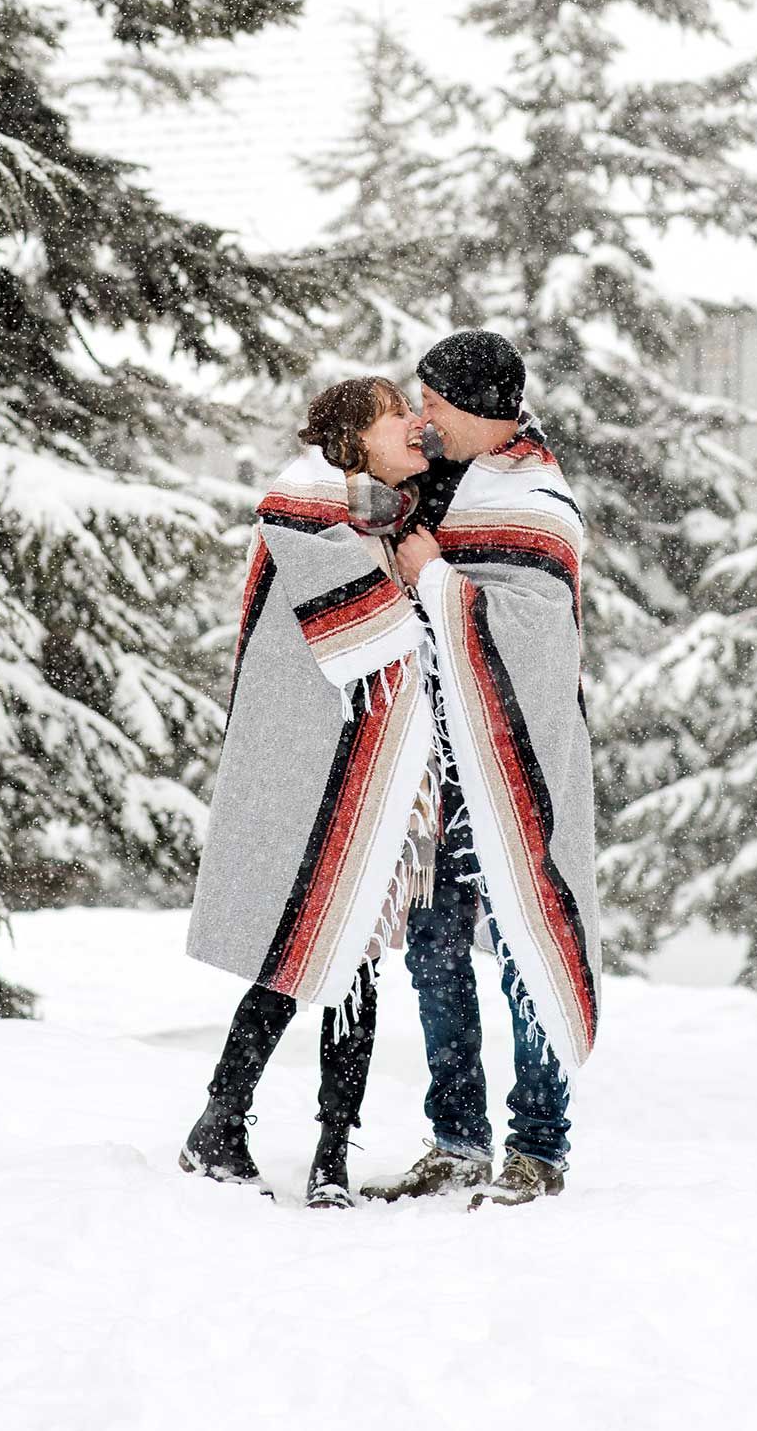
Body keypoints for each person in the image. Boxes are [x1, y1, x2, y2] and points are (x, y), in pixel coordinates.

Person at [182, 376, 436, 1209]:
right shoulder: (306, 507)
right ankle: (221, 1122)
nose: (415, 425)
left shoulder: (381, 519)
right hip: (316, 769)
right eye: (398, 414)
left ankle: (329, 1151)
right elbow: (372, 635)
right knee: (301, 950)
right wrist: (423, 591)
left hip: (360, 773)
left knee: (349, 959)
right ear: (355, 437)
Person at [361, 329, 600, 1210]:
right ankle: (458, 1141)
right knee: (430, 949)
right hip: (435, 762)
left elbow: (533, 641)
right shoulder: (427, 483)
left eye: (434, 406)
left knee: (523, 943)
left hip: (513, 765)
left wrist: (433, 577)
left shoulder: (538, 501)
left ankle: (539, 1149)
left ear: (482, 410)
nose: (422, 421)